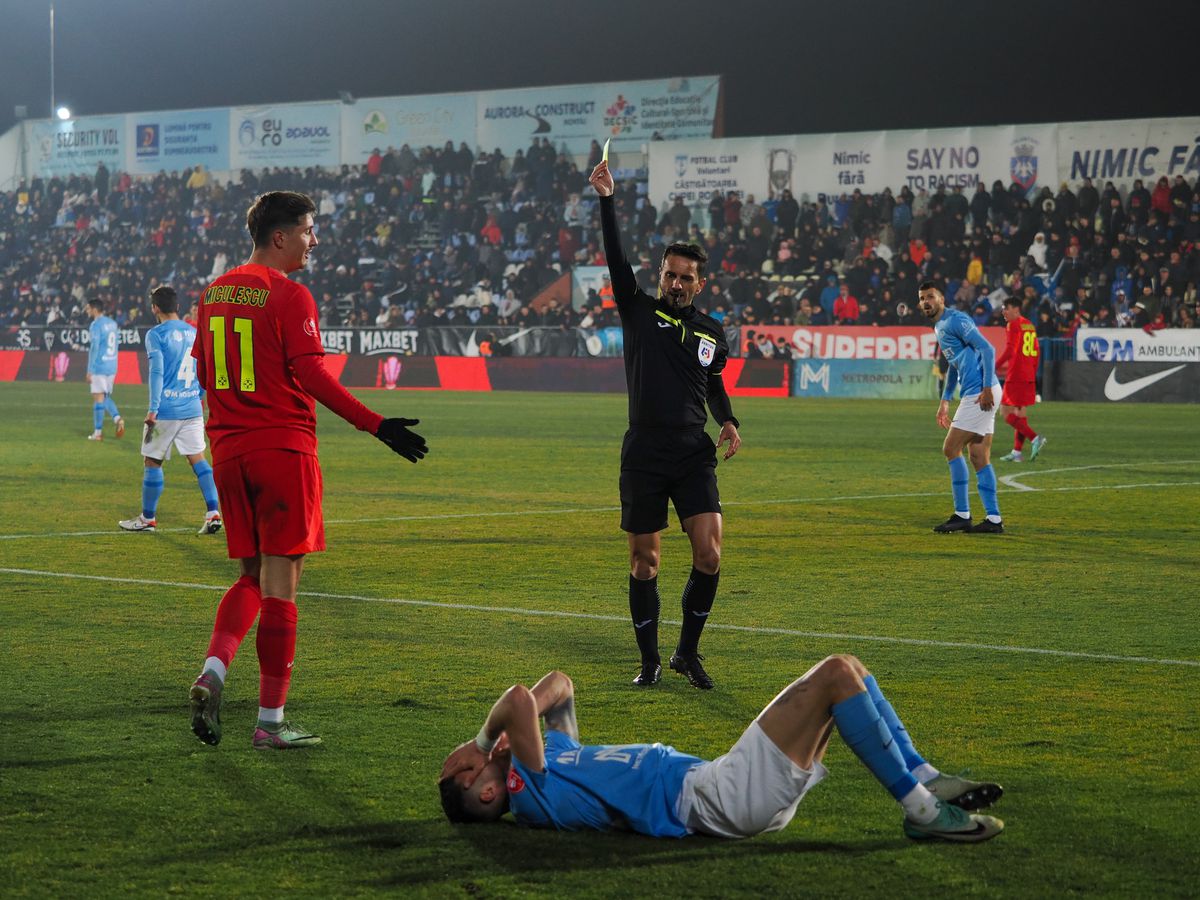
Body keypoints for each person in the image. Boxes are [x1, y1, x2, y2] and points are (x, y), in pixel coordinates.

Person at [187, 191, 429, 751]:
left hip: (228, 454)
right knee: (281, 587)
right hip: (282, 451)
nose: (313, 241)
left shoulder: (213, 292)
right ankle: (270, 723)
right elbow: (312, 375)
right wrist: (377, 425)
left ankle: (213, 672)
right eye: (307, 230)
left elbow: (203, 374)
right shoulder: (290, 294)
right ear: (280, 237)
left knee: (250, 576)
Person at [437, 659, 1004, 843]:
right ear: (486, 792)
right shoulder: (529, 792)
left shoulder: (554, 763)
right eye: (470, 770)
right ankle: (922, 811)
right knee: (834, 675)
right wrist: (483, 741)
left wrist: (508, 736)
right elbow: (518, 699)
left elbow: (558, 684)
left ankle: (925, 779)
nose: (475, 760)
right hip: (717, 797)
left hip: (717, 787)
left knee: (848, 668)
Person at [589, 160, 741, 691]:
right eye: (670, 274)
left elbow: (713, 384)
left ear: (700, 283)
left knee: (710, 553)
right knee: (644, 562)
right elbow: (616, 258)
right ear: (660, 275)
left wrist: (728, 420)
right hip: (645, 452)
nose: (676, 283)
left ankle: (686, 653)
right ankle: (650, 660)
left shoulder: (713, 333)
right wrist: (607, 201)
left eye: (686, 277)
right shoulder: (637, 310)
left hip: (692, 452)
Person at [118, 286, 222, 535]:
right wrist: (198, 396)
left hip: (165, 410)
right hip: (192, 408)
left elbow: (157, 371)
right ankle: (213, 513)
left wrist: (153, 409)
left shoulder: (156, 334)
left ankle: (148, 518)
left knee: (152, 461)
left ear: (155, 308)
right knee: (198, 459)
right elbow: (205, 368)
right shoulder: (194, 332)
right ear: (177, 306)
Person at [917, 281, 1003, 534]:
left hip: (980, 392)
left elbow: (987, 348)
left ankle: (962, 514)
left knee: (950, 447)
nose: (925, 302)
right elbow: (954, 365)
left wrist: (986, 388)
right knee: (978, 455)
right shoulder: (939, 326)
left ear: (941, 299)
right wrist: (945, 401)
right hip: (979, 390)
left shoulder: (956, 320)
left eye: (930, 296)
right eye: (922, 298)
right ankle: (993, 519)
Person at [995, 297, 1046, 463]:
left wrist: (994, 366)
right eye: (1003, 308)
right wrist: (1032, 372)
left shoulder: (1013, 324)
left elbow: (1010, 350)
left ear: (1016, 309)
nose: (1003, 312)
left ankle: (1035, 438)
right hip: (1028, 374)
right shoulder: (1029, 325)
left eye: (1006, 308)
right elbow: (1036, 351)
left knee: (1005, 412)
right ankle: (1017, 452)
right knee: (1020, 413)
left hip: (1016, 374)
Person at [85, 298, 125, 441]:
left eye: (88, 308)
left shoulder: (96, 325)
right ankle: (117, 419)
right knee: (104, 396)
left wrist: (90, 369)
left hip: (100, 365)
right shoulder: (113, 323)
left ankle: (98, 433)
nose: (87, 310)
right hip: (112, 365)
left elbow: (94, 347)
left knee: (98, 397)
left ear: (95, 309)